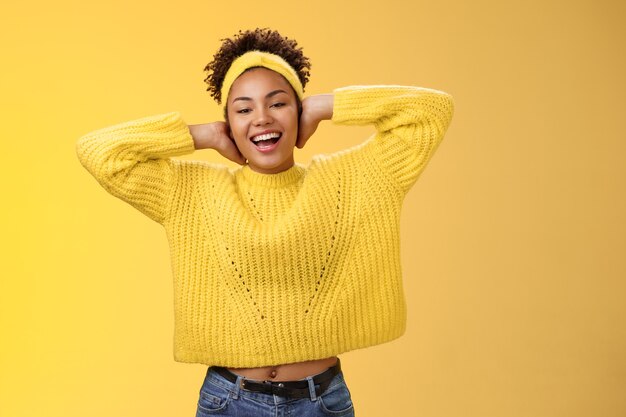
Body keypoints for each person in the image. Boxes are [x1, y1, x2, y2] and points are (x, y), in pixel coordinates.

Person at [76, 28, 454, 417]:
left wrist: (327, 105)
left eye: (278, 104)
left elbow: (430, 112)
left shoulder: (353, 179)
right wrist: (202, 135)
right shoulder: (190, 190)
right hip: (229, 401)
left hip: (320, 403)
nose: (261, 118)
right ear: (228, 122)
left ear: (299, 111)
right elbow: (99, 153)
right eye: (243, 109)